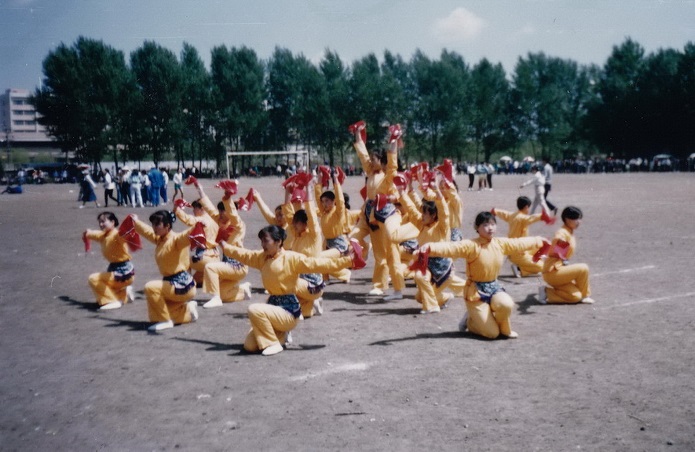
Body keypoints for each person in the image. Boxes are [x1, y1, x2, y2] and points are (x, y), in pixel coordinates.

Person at [219, 225, 358, 356]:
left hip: (288, 311)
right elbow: (244, 255)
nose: (263, 244)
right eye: (261, 241)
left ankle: (273, 343)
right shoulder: (262, 258)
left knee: (254, 309)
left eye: (266, 241)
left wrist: (347, 261)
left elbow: (318, 264)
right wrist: (225, 246)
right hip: (273, 308)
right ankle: (281, 336)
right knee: (249, 346)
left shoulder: (291, 258)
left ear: (278, 242)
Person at [421, 211, 547, 339]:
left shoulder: (500, 243)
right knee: (492, 333)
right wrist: (430, 247)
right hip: (475, 291)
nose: (490, 228)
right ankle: (471, 321)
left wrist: (538, 240)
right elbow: (452, 247)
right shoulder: (471, 245)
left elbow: (518, 243)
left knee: (506, 304)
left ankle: (503, 328)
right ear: (477, 228)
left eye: (493, 224)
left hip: (494, 287)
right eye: (485, 225)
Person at [352, 122, 405, 301]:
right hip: (370, 214)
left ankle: (383, 286)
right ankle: (378, 282)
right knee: (366, 245)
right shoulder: (370, 173)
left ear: (381, 162)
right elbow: (362, 155)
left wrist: (393, 140)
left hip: (385, 215)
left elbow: (392, 164)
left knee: (385, 252)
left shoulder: (387, 177)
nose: (371, 161)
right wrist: (358, 133)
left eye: (374, 159)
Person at [398, 173, 464, 314]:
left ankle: (432, 306)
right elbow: (412, 208)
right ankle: (445, 297)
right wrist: (402, 193)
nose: (421, 216)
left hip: (442, 268)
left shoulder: (442, 227)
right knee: (419, 296)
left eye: (425, 213)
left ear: (433, 215)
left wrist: (438, 191)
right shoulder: (421, 223)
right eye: (422, 213)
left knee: (421, 288)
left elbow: (444, 212)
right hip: (427, 264)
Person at [132, 210, 199, 332]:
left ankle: (165, 321)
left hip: (182, 285)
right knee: (159, 314)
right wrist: (136, 222)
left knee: (150, 287)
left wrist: (198, 225)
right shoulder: (160, 238)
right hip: (171, 284)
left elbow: (187, 235)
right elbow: (147, 232)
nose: (154, 227)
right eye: (153, 224)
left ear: (167, 226)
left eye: (157, 224)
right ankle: (188, 311)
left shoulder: (176, 240)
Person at [193, 182, 251, 308]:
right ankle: (242, 291)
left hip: (238, 265)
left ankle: (215, 299)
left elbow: (233, 213)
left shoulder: (238, 225)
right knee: (224, 294)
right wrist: (200, 190)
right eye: (219, 211)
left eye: (223, 211)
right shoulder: (220, 221)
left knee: (210, 267)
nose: (220, 214)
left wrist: (227, 198)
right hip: (227, 264)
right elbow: (209, 208)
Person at [539, 206, 594, 304]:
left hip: (559, 270)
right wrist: (560, 240)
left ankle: (546, 292)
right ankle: (585, 295)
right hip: (552, 272)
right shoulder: (562, 232)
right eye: (576, 219)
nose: (579, 222)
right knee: (583, 268)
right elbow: (558, 237)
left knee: (575, 297)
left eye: (579, 219)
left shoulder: (569, 231)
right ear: (567, 220)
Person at [83, 212, 135, 310]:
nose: (101, 224)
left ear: (112, 222)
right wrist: (87, 232)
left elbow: (123, 235)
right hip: (115, 269)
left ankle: (111, 301)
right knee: (107, 287)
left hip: (124, 271)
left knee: (93, 279)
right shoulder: (103, 235)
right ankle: (124, 293)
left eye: (103, 221)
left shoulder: (116, 235)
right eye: (99, 222)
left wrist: (131, 224)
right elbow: (93, 234)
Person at [173, 195, 220, 287]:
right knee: (197, 279)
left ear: (201, 208)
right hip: (216, 256)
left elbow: (188, 219)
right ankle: (203, 280)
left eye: (195, 208)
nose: (193, 211)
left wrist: (176, 209)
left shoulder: (201, 219)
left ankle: (186, 283)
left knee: (184, 261)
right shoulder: (215, 218)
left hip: (204, 257)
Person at [492, 196, 544, 278]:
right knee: (542, 267)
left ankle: (525, 265)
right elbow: (531, 218)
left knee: (540, 247)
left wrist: (495, 211)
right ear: (526, 207)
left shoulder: (513, 215)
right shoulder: (522, 218)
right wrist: (543, 215)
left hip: (516, 250)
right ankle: (519, 268)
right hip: (518, 254)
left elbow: (504, 214)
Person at [315, 169, 352, 284]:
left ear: (333, 201)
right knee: (322, 260)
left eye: (327, 201)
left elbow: (340, 200)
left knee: (322, 259)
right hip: (327, 242)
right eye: (323, 202)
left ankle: (345, 273)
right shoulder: (323, 212)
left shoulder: (338, 212)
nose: (324, 204)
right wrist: (319, 179)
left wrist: (335, 179)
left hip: (338, 243)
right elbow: (317, 197)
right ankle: (325, 278)